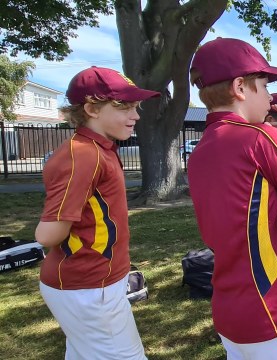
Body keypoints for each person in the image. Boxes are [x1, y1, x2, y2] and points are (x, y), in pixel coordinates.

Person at [187, 37, 277, 359]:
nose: (269, 98)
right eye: (264, 86)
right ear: (240, 87)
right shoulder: (259, 137)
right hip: (275, 305)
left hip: (228, 308)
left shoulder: (200, 151)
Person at [35, 66, 159, 359]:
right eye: (123, 106)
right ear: (91, 108)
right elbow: (48, 233)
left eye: (136, 107)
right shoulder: (84, 154)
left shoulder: (98, 148)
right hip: (88, 288)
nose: (135, 115)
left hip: (95, 284)